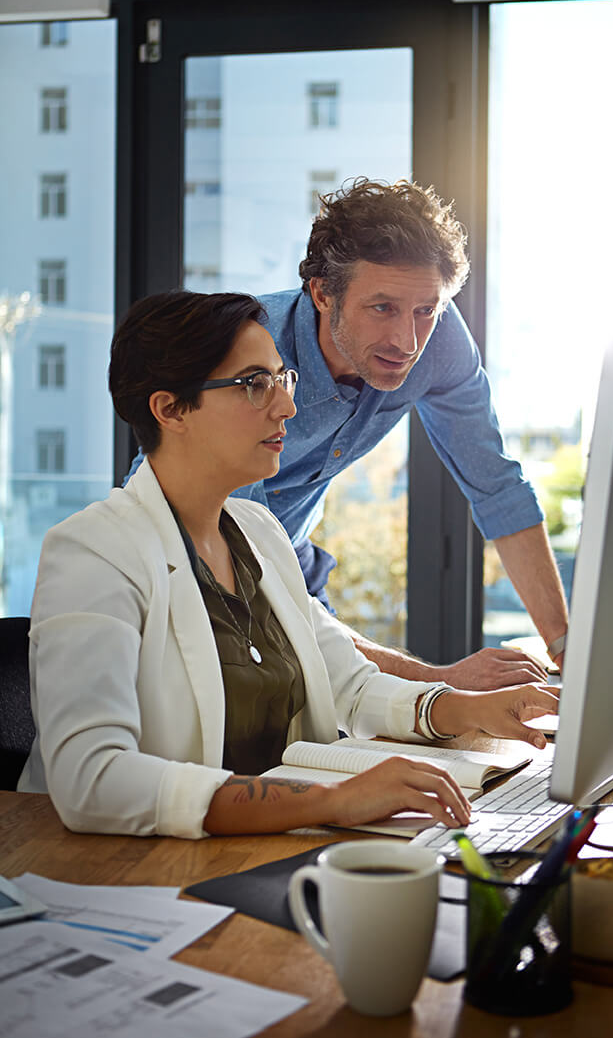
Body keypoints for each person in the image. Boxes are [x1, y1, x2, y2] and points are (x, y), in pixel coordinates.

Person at [18, 291, 559, 839]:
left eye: (284, 380)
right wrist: (331, 801)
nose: (287, 407)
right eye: (255, 384)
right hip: (127, 871)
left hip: (263, 849)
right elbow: (92, 778)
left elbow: (350, 686)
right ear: (170, 409)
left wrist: (473, 709)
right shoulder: (94, 551)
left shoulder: (259, 533)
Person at [127, 178, 569, 687]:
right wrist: (439, 680)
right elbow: (246, 553)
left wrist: (565, 650)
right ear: (322, 293)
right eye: (382, 308)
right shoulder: (247, 358)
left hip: (292, 570)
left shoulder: (439, 338)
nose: (407, 340)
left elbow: (497, 487)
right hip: (189, 574)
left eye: (425, 309)